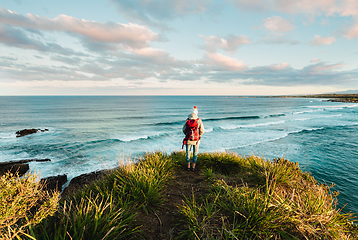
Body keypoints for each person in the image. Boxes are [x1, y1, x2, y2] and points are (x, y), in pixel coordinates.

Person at [182, 106, 204, 171]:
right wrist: (199, 135)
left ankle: (188, 167)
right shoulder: (199, 121)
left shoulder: (187, 121)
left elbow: (183, 129)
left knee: (188, 153)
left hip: (188, 139)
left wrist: (187, 135)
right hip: (196, 140)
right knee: (195, 153)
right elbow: (202, 130)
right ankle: (193, 167)